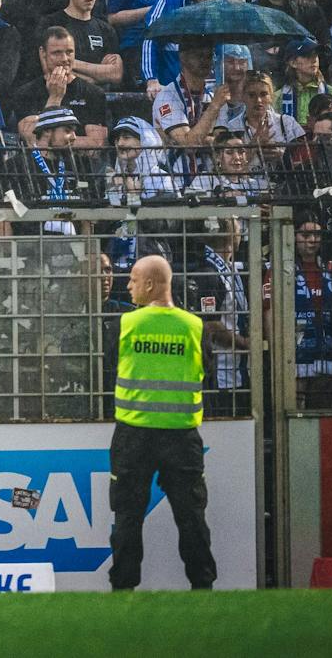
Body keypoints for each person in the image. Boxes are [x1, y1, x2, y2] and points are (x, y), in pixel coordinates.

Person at [107, 253, 216, 591]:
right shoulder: (195, 327)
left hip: (133, 436)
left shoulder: (123, 325)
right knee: (192, 519)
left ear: (151, 284)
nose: (128, 285)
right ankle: (204, 589)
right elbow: (207, 374)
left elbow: (111, 366)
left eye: (134, 279)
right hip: (182, 437)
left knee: (127, 517)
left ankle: (123, 593)